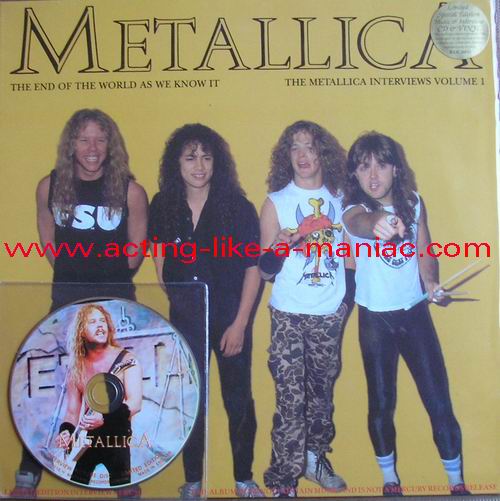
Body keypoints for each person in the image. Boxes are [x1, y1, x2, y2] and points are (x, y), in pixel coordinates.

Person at [13, 109, 148, 498]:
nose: (92, 148)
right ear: (71, 144)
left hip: (115, 304)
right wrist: (77, 273)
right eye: (84, 139)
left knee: (113, 392)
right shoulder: (50, 187)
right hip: (66, 302)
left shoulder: (131, 192)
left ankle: (123, 477)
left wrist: (101, 268)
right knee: (50, 388)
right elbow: (50, 246)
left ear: (111, 145)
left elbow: (135, 256)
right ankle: (27, 475)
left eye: (100, 139)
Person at [342, 131, 469, 496]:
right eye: (364, 167)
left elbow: (425, 250)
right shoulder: (352, 209)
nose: (373, 175)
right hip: (375, 320)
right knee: (381, 404)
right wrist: (378, 222)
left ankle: (457, 483)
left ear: (396, 169)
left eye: (381, 165)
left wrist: (431, 283)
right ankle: (390, 481)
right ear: (354, 174)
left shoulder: (413, 202)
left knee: (438, 401)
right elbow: (360, 223)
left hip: (414, 316)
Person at [148, 124, 264, 499]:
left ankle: (244, 479)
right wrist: (181, 302)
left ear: (217, 162)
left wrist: (240, 324)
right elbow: (160, 260)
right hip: (185, 321)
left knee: (238, 401)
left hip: (230, 319)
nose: (199, 166)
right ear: (176, 163)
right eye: (190, 157)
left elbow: (252, 269)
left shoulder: (238, 207)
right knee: (187, 403)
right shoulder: (163, 205)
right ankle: (193, 481)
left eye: (206, 157)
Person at [259, 120, 352, 498]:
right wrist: (281, 246)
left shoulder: (342, 199)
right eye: (294, 147)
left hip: (329, 313)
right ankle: (284, 477)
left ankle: (314, 459)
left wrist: (343, 304)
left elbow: (351, 260)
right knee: (290, 397)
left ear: (322, 153)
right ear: (286, 155)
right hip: (288, 313)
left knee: (320, 395)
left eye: (310, 146)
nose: (302, 155)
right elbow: (265, 270)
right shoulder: (276, 202)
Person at [55, 303, 142, 486]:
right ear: (81, 331)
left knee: (124, 491)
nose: (100, 325)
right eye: (93, 322)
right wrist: (65, 432)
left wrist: (104, 418)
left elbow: (135, 404)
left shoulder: (127, 359)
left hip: (116, 439)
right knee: (77, 487)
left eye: (102, 321)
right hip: (88, 440)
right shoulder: (76, 367)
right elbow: (72, 412)